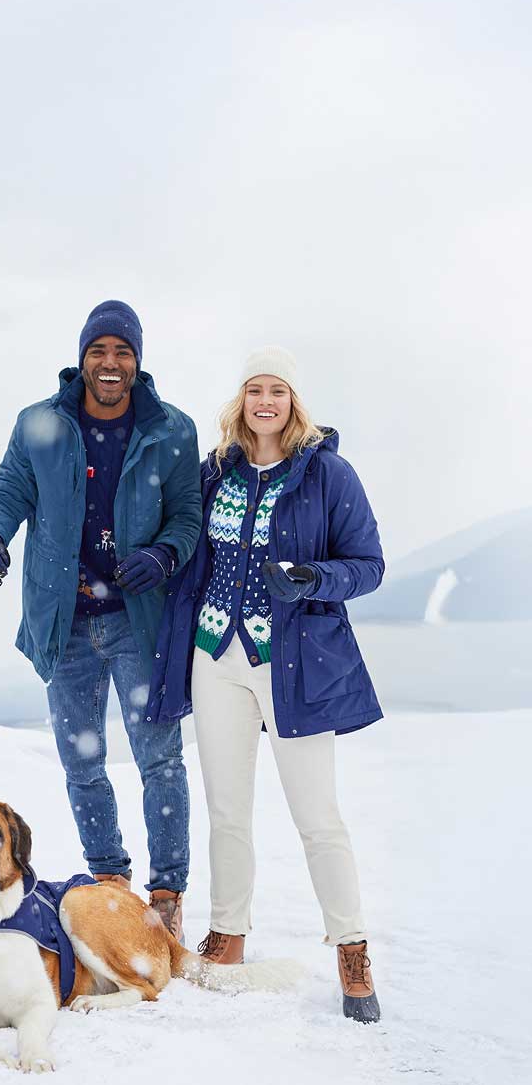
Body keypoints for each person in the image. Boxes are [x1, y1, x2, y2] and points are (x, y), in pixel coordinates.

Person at [147, 347, 384, 1022]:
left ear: (294, 402)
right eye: (255, 388)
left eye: (277, 389)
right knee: (227, 807)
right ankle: (228, 931)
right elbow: (184, 542)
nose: (266, 401)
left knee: (318, 817)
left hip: (293, 663)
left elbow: (368, 564)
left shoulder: (328, 475)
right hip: (214, 654)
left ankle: (351, 947)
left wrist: (314, 579)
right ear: (241, 401)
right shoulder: (213, 473)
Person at [0, 300, 202, 939]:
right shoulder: (42, 424)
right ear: (82, 358)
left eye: (122, 352)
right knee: (82, 764)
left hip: (138, 621)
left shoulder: (172, 431)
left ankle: (166, 893)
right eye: (99, 350)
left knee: (161, 760)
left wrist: (163, 553)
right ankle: (109, 884)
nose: (110, 363)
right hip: (64, 623)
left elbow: (188, 517)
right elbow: (6, 493)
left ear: (137, 361)